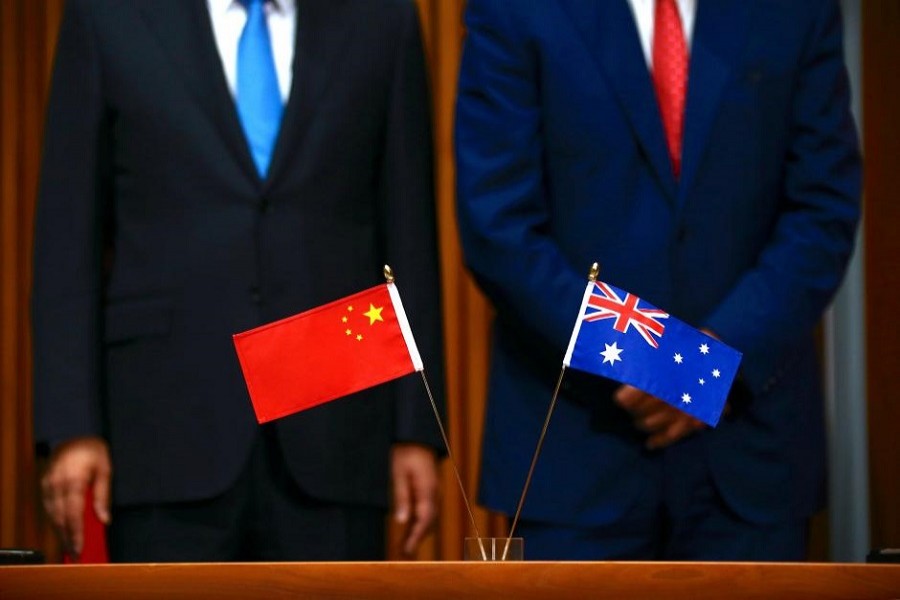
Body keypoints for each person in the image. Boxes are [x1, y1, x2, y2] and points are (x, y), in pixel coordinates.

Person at [33, 0, 444, 562]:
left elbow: (410, 233)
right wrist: (71, 426)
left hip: (336, 426)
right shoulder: (109, 16)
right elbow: (67, 238)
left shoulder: (380, 19)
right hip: (163, 431)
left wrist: (416, 428)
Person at [455, 0, 861, 560]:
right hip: (575, 455)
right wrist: (657, 360)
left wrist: (709, 368)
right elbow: (497, 226)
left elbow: (823, 209)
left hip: (749, 460)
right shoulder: (517, 10)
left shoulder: (796, 10)